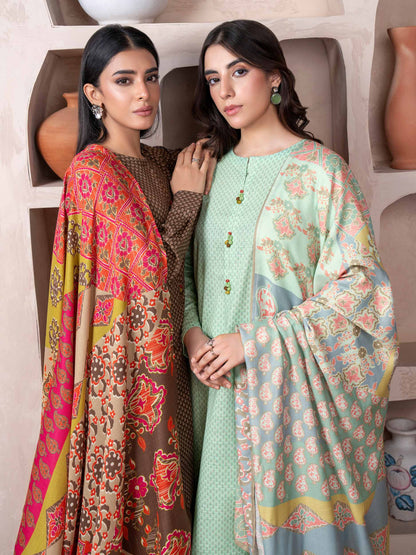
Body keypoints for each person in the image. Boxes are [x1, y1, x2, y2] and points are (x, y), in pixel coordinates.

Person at [183, 19, 398, 555]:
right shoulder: (208, 170)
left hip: (284, 404)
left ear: (275, 77)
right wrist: (192, 333)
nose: (225, 91)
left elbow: (362, 291)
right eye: (213, 78)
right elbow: (184, 269)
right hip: (213, 394)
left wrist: (253, 342)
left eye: (239, 72)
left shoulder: (323, 172)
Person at [15, 24, 210, 555]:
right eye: (124, 80)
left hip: (180, 356)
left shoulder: (160, 162)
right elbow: (150, 274)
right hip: (129, 369)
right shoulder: (93, 170)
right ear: (94, 94)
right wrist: (187, 200)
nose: (144, 93)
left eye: (151, 77)